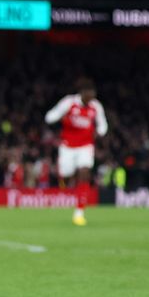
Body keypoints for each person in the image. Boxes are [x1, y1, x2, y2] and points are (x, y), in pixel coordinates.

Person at [45, 78, 108, 226]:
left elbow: (103, 125)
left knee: (85, 172)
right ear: (82, 93)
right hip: (67, 146)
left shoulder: (96, 107)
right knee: (66, 175)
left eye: (93, 94)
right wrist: (59, 116)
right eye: (89, 94)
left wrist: (100, 131)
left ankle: (79, 213)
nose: (91, 97)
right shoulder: (69, 102)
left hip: (85, 147)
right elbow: (50, 117)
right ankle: (65, 178)